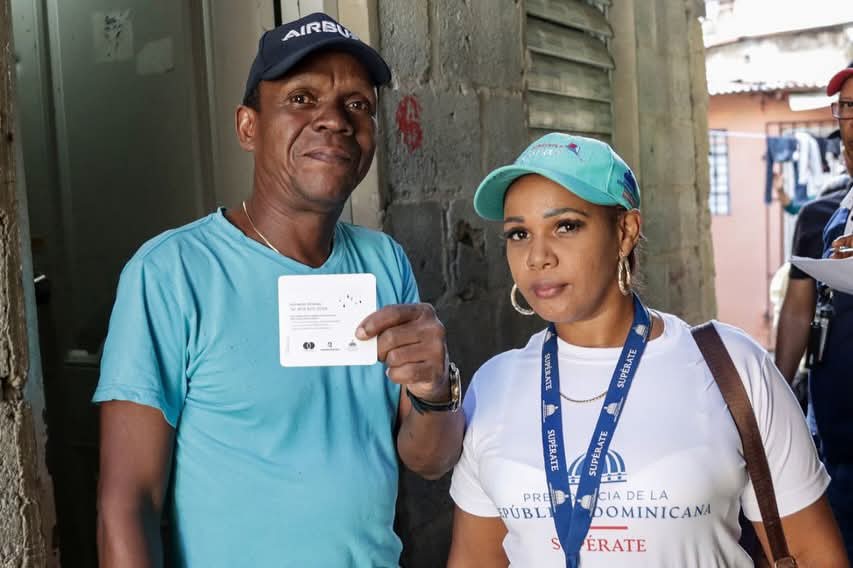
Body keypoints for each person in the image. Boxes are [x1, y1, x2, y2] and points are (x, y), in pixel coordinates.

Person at [93, 13, 464, 567]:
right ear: (248, 127)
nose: (334, 120)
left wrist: (435, 387)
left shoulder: (383, 262)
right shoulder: (172, 273)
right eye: (301, 98)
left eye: (357, 104)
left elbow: (429, 461)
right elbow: (127, 504)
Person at [446, 133, 848, 567]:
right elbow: (475, 560)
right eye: (519, 233)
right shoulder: (494, 386)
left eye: (566, 226)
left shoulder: (730, 367)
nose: (537, 256)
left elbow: (814, 556)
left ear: (625, 232)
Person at [774, 62, 853, 561]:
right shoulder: (819, 218)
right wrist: (774, 399)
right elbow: (797, 313)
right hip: (835, 442)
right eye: (844, 109)